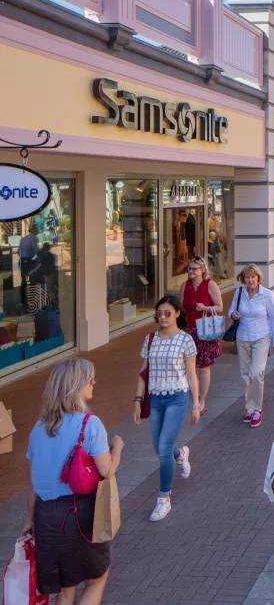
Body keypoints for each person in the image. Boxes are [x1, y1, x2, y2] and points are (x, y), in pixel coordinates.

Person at [24, 358, 123, 604]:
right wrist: (117, 447)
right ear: (75, 386)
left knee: (65, 588)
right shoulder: (90, 424)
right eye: (89, 379)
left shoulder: (38, 428)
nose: (94, 382)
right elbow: (106, 470)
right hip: (80, 514)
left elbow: (32, 484)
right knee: (96, 578)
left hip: (45, 517)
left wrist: (29, 521)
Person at [134, 295, 200, 522]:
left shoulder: (185, 340)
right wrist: (137, 400)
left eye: (167, 313)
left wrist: (196, 404)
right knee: (160, 446)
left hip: (177, 398)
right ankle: (180, 454)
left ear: (177, 313)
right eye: (159, 313)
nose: (162, 317)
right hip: (156, 398)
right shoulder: (150, 339)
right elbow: (143, 373)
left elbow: (191, 375)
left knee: (163, 448)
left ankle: (164, 498)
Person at [228, 263, 274, 428]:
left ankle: (257, 409)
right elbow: (231, 310)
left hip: (261, 336)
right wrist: (233, 315)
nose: (250, 280)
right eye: (247, 277)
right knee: (246, 374)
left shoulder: (267, 295)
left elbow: (273, 317)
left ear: (258, 278)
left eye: (253, 277)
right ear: (243, 279)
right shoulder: (239, 292)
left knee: (257, 372)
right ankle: (250, 409)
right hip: (242, 337)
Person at [180, 255, 223, 415]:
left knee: (204, 367)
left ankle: (202, 400)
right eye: (189, 268)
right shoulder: (185, 286)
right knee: (189, 367)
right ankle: (194, 397)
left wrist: (205, 308)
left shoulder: (210, 285)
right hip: (188, 330)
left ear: (202, 269)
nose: (190, 271)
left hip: (204, 330)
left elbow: (219, 307)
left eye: (194, 269)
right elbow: (181, 308)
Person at [18, 224, 40, 304]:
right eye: (36, 229)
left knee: (23, 281)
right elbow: (36, 251)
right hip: (28, 261)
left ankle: (22, 301)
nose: (38, 231)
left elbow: (18, 252)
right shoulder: (34, 238)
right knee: (32, 280)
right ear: (33, 230)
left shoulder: (23, 239)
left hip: (22, 261)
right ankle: (32, 300)